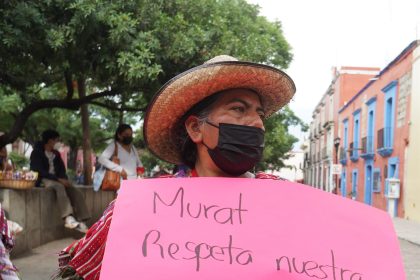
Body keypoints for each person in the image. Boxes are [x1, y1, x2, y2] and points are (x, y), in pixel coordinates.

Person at [55, 55, 295, 279]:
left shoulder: (285, 200)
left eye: (259, 113)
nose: (257, 123)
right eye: (238, 109)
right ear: (195, 129)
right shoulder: (146, 205)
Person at [30, 130, 91, 233]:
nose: (59, 142)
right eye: (57, 140)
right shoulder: (37, 153)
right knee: (59, 187)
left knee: (75, 191)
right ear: (50, 141)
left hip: (57, 179)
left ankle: (82, 219)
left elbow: (62, 170)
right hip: (43, 179)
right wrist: (58, 180)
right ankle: (68, 217)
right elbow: (39, 171)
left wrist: (65, 180)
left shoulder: (56, 154)